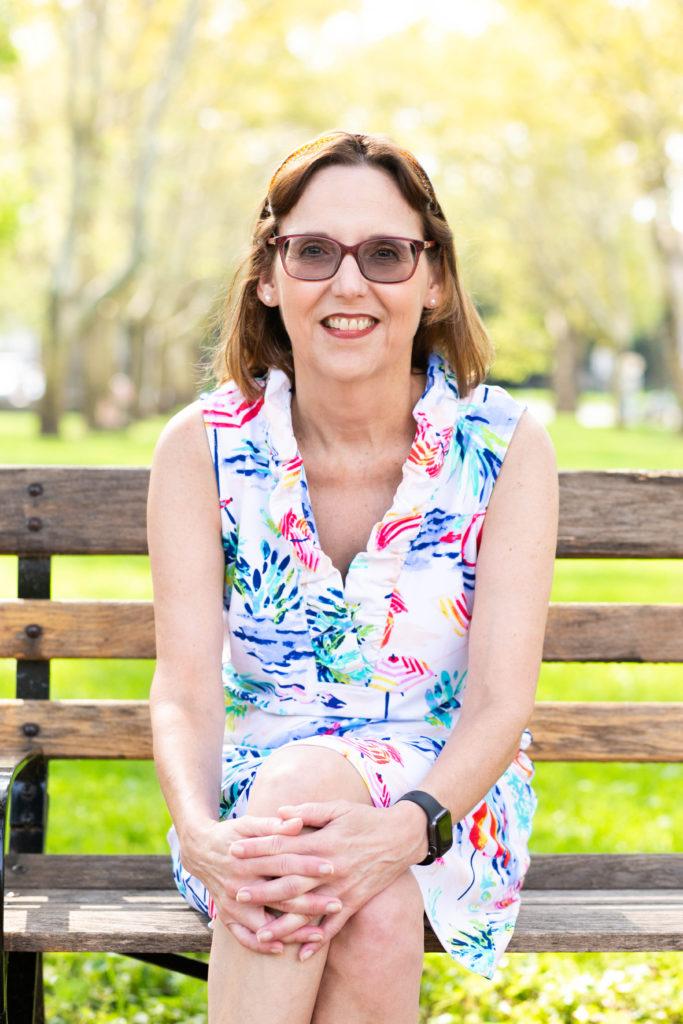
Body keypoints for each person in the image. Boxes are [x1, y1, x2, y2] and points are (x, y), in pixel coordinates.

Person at [146, 130, 559, 1024]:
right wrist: (203, 836)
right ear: (267, 274)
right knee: (358, 899)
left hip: (447, 799)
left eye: (384, 253)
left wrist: (402, 828)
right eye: (312, 251)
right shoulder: (202, 446)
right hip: (250, 813)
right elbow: (182, 690)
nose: (347, 283)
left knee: (335, 849)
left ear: (434, 278)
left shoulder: (503, 446)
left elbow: (497, 702)